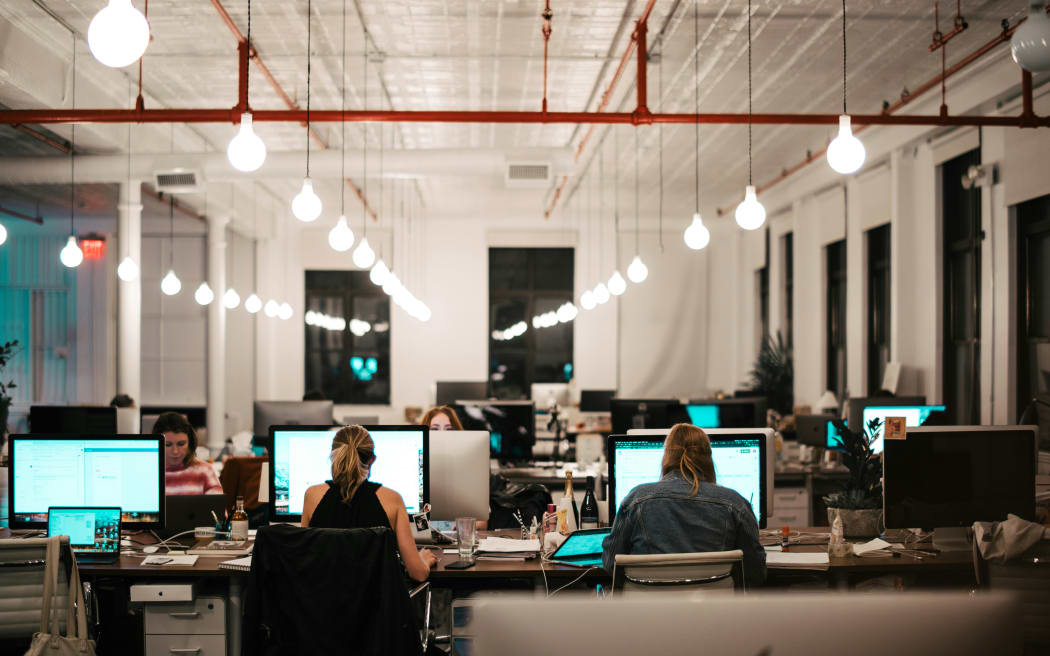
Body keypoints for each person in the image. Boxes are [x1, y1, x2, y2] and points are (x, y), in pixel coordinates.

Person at [601, 423, 766, 587]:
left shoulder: (636, 500)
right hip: (714, 610)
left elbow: (611, 563)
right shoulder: (736, 504)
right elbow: (756, 572)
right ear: (708, 458)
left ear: (667, 456)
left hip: (650, 610)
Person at [301, 425, 437, 582]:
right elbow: (418, 573)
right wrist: (423, 560)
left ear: (333, 456)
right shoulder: (392, 499)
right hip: (377, 605)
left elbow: (304, 561)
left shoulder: (312, 495)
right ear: (372, 459)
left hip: (322, 604)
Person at [153, 411, 222, 496]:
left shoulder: (205, 471)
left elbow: (216, 507)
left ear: (190, 443)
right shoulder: (146, 472)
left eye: (181, 444)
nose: (175, 451)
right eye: (167, 444)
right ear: (156, 443)